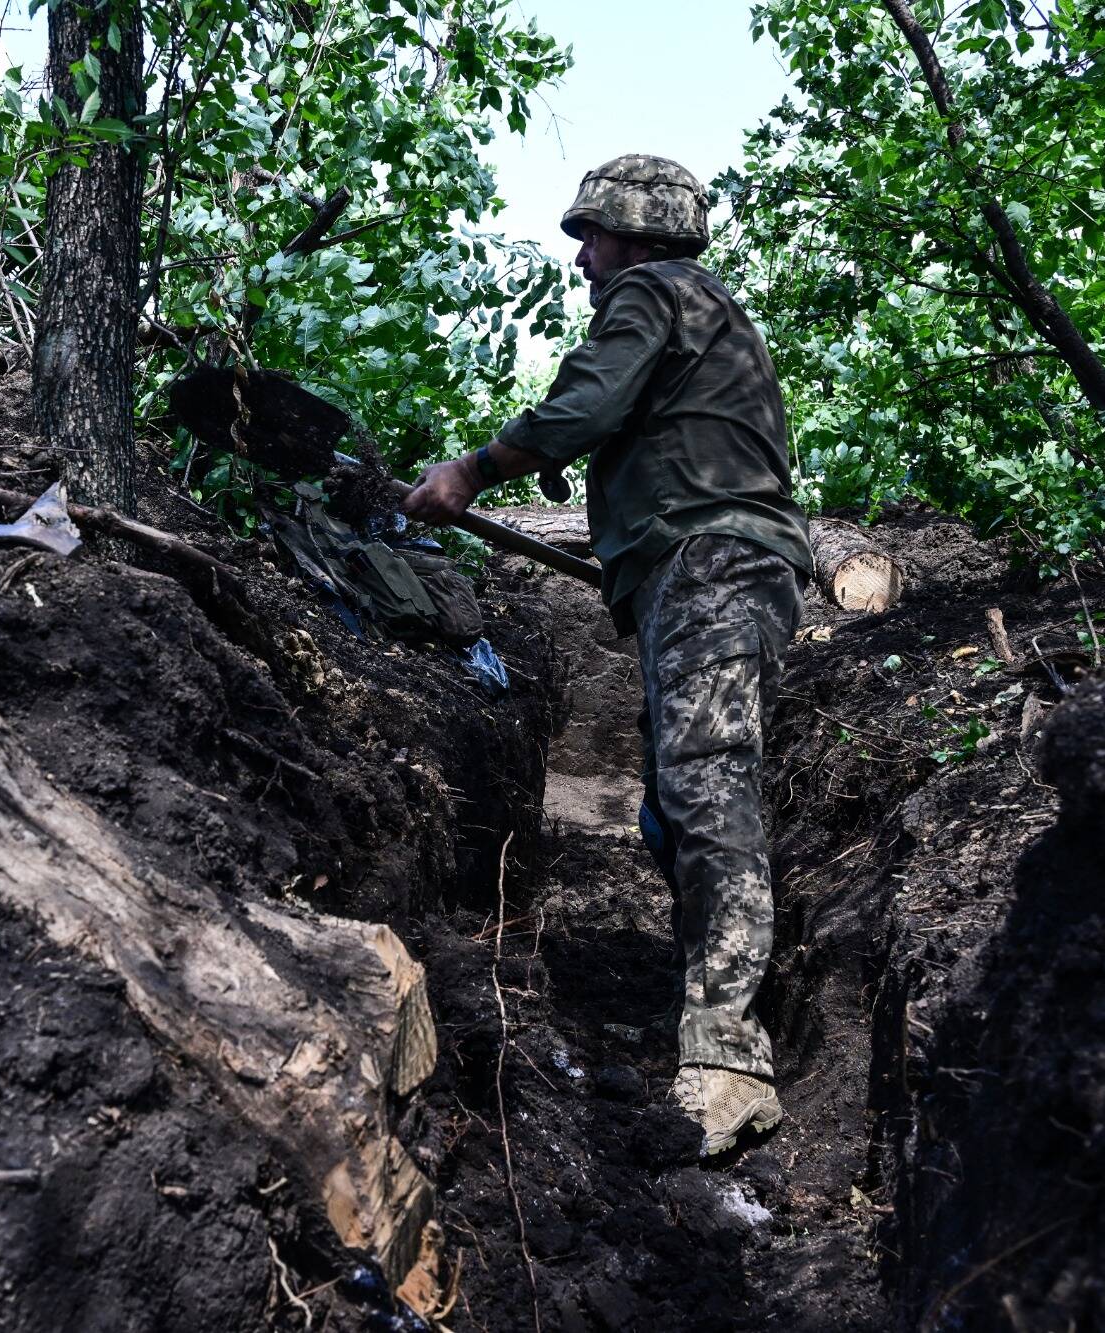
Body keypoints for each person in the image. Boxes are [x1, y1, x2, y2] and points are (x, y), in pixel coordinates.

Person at [402, 155, 812, 1157]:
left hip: (713, 565)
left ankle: (725, 1066)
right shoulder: (704, 311)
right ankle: (700, 1027)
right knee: (672, 806)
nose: (583, 259)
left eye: (591, 236)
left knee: (708, 795)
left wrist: (473, 467)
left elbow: (583, 408)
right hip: (706, 567)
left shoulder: (653, 293)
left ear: (636, 233)